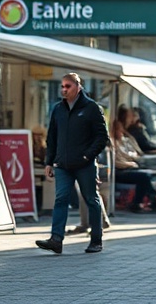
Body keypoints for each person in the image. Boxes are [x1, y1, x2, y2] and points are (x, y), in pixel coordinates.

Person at [37, 72, 109, 254]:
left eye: (67, 86)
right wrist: (49, 161)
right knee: (61, 199)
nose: (64, 90)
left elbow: (102, 137)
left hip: (84, 165)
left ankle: (96, 240)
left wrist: (88, 156)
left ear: (78, 86)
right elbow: (51, 137)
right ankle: (56, 239)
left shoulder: (91, 108)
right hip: (62, 165)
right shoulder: (58, 109)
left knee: (91, 200)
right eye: (62, 86)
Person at [111, 106, 156, 213]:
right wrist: (130, 164)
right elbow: (117, 162)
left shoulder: (125, 140)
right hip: (120, 172)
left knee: (146, 175)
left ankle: (153, 197)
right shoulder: (112, 143)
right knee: (144, 177)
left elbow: (136, 152)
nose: (121, 132)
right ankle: (148, 199)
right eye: (119, 130)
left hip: (129, 167)